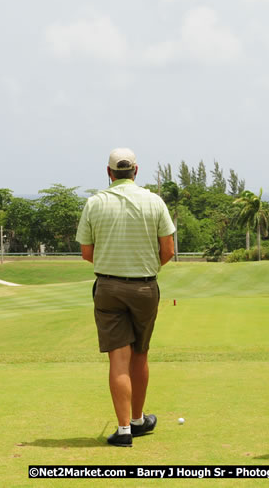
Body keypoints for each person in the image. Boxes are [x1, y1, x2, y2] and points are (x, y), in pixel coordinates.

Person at [76, 147, 176, 447]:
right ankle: (137, 420)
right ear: (136, 170)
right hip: (145, 288)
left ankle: (123, 431)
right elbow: (168, 251)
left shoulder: (95, 203)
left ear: (109, 173)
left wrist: (113, 267)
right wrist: (143, 268)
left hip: (108, 287)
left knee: (119, 359)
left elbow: (86, 253)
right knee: (140, 353)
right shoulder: (154, 201)